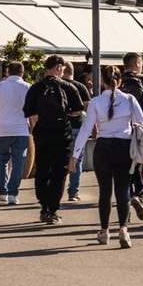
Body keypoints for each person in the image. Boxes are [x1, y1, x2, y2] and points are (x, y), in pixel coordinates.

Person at [72, 66, 143, 249]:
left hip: (103, 147)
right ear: (120, 81)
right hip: (125, 147)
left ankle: (104, 231)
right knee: (122, 190)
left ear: (103, 82)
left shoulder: (96, 102)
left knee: (104, 192)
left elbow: (86, 129)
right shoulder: (130, 100)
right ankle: (123, 229)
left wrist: (75, 155)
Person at [23, 55, 87, 226]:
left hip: (42, 135)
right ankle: (52, 210)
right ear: (59, 67)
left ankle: (43, 207)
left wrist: (40, 125)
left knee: (43, 170)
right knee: (59, 173)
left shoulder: (36, 88)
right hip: (63, 135)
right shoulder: (68, 87)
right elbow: (79, 111)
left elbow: (30, 112)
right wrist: (66, 115)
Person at [0, 61, 31, 206]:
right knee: (18, 162)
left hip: (2, 128)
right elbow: (32, 111)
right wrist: (34, 127)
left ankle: (2, 192)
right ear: (22, 73)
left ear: (7, 72)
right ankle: (13, 194)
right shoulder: (27, 87)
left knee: (2, 160)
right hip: (20, 129)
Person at [117, 52, 143, 221]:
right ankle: (140, 195)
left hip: (122, 132)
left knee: (124, 170)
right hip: (141, 132)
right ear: (137, 63)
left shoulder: (118, 80)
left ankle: (127, 202)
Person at [64, 64, 88, 203]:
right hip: (79, 127)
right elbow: (88, 109)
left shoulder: (58, 86)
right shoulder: (81, 87)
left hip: (61, 128)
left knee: (60, 160)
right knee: (77, 161)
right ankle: (73, 192)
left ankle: (55, 190)